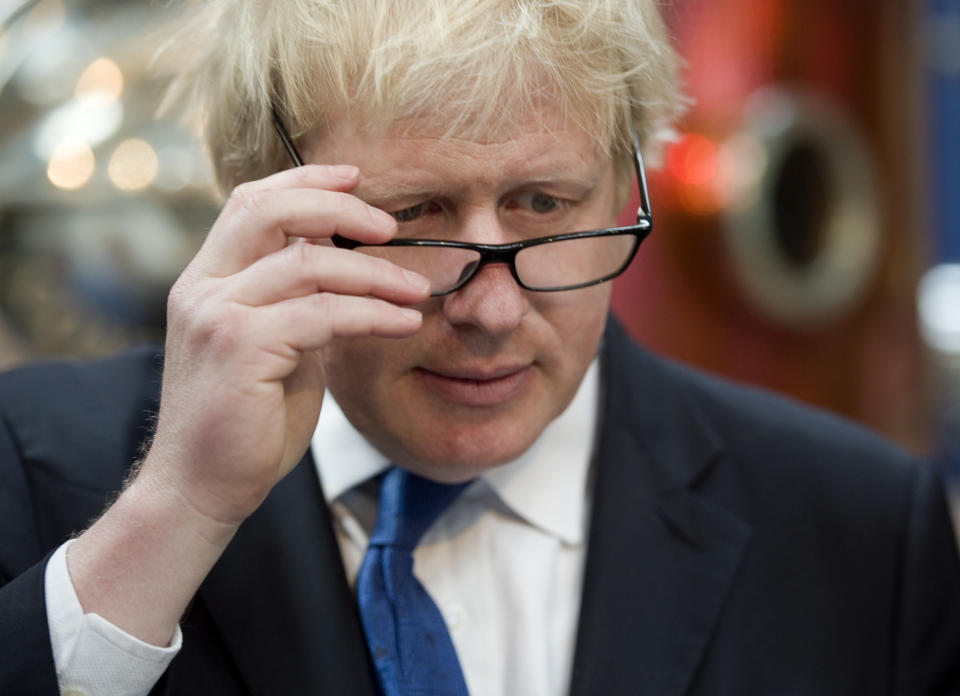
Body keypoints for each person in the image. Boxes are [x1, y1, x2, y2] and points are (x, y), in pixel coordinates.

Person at [2, 0, 959, 694]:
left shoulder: (860, 526)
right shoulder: (35, 461)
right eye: (413, 217)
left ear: (628, 183)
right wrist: (182, 507)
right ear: (261, 201)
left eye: (545, 206)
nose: (494, 310)